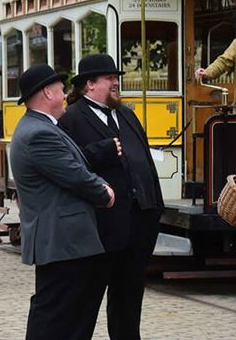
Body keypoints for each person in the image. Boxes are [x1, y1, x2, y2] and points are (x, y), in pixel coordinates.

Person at [59, 54, 164, 340]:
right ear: (89, 85)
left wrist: (155, 208)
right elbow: (67, 166)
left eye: (116, 77)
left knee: (129, 301)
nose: (116, 82)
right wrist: (99, 152)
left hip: (138, 223)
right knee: (88, 300)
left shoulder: (127, 114)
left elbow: (145, 162)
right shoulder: (71, 118)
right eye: (109, 78)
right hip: (100, 228)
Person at [9, 64, 115, 340]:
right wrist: (104, 191)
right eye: (61, 88)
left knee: (72, 317)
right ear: (47, 92)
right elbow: (75, 175)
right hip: (61, 242)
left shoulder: (42, 127)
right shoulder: (38, 134)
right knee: (56, 317)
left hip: (66, 243)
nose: (66, 94)